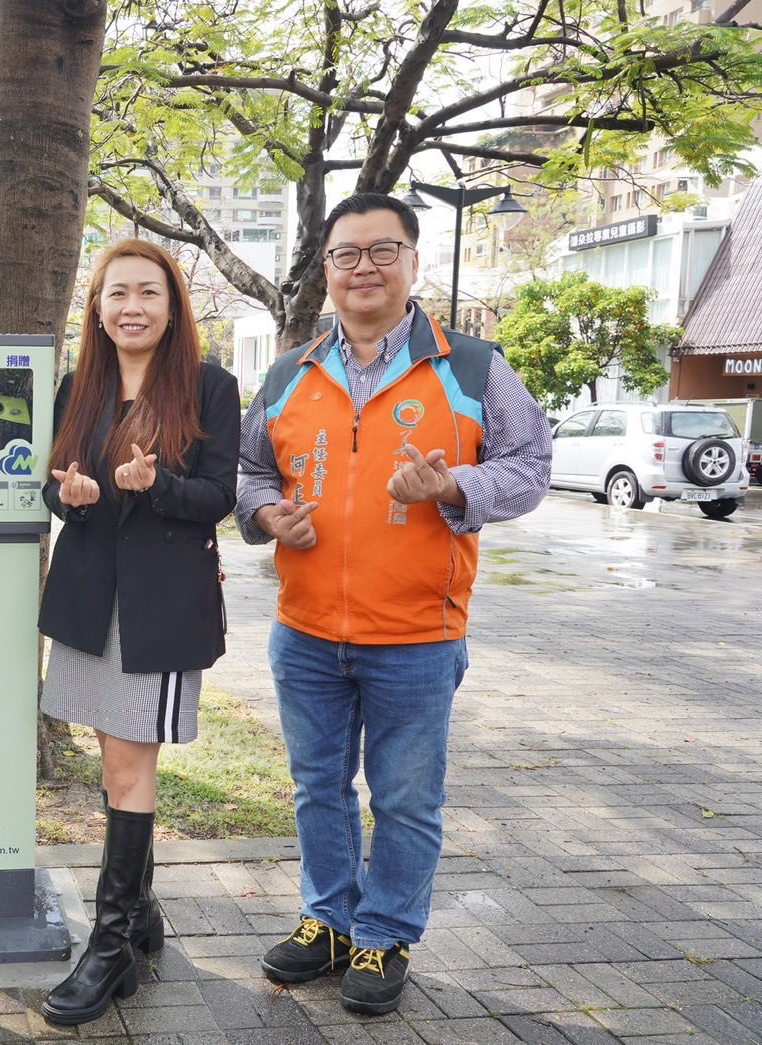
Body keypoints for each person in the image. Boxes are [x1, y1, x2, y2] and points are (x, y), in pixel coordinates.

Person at [237, 192, 551, 1016]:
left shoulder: (471, 367)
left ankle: (383, 933)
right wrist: (267, 514)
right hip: (304, 630)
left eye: (383, 250)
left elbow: (529, 465)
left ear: (413, 260)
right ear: (326, 270)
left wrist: (453, 485)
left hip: (416, 634)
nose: (363, 267)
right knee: (317, 787)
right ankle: (327, 920)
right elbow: (250, 469)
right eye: (346, 254)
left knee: (405, 799)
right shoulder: (290, 372)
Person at [37, 238, 240, 1026]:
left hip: (158, 609)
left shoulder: (208, 386)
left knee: (129, 765)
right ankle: (142, 910)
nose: (131, 306)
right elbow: (57, 485)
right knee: (113, 757)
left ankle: (112, 940)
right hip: (88, 601)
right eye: (116, 293)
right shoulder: (77, 386)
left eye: (148, 293)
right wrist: (74, 494)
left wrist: (157, 486)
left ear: (172, 305)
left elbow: (217, 495)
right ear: (96, 308)